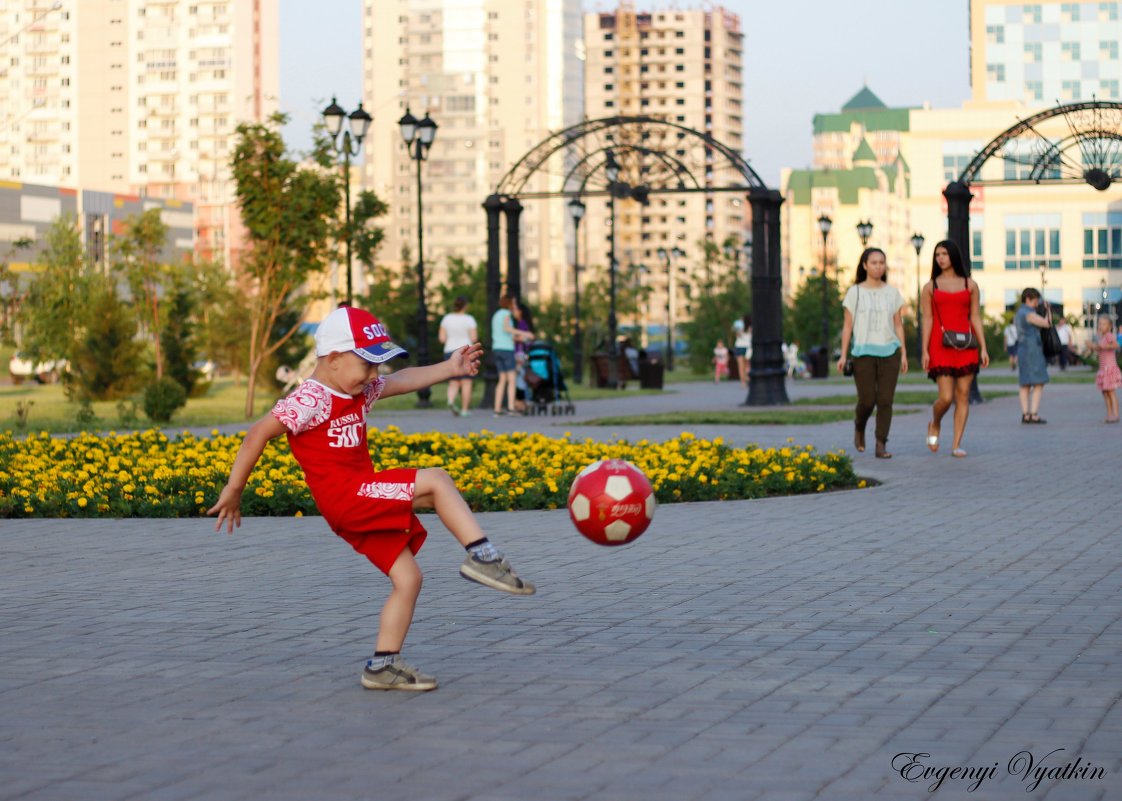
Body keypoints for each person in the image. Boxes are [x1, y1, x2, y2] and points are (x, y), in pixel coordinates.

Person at [207, 305, 536, 693]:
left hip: (358, 498)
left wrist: (449, 368)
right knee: (437, 481)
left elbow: (403, 379)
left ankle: (382, 665)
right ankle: (482, 555)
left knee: (409, 578)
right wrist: (234, 489)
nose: (374, 376)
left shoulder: (357, 388)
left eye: (377, 366)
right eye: (367, 365)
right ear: (332, 360)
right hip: (347, 496)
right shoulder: (311, 397)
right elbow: (257, 433)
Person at [921, 240, 990, 458]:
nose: (940, 258)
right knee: (946, 397)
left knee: (963, 395)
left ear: (953, 256)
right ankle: (936, 422)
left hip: (966, 344)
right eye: (937, 254)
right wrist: (924, 350)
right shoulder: (930, 287)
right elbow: (928, 319)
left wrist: (984, 347)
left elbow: (976, 317)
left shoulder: (970, 285)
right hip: (940, 346)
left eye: (944, 254)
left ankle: (956, 444)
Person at [837, 247, 908, 458]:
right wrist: (843, 354)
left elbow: (898, 325)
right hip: (863, 353)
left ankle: (880, 443)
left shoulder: (892, 293)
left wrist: (903, 353)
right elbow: (847, 326)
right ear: (865, 265)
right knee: (867, 400)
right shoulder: (855, 292)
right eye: (874, 262)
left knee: (885, 400)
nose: (878, 266)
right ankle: (859, 426)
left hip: (890, 352)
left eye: (882, 262)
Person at [1014, 288, 1051, 424]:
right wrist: (1048, 309)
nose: (1037, 304)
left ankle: (1025, 414)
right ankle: (1033, 414)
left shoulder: (1019, 313)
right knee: (1038, 382)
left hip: (1023, 350)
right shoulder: (1028, 313)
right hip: (1033, 350)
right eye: (1035, 301)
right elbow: (1047, 323)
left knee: (1024, 383)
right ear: (1028, 299)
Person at [438, 296, 477, 417]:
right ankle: (465, 410)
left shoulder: (446, 319)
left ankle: (451, 400)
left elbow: (442, 339)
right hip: (466, 350)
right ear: (465, 306)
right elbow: (474, 338)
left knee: (453, 381)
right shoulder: (469, 319)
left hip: (449, 350)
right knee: (466, 381)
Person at [491, 294, 530, 416]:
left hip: (497, 349)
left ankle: (497, 409)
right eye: (513, 303)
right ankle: (511, 408)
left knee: (502, 379)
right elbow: (507, 329)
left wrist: (519, 338)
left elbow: (505, 334)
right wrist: (524, 333)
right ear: (508, 304)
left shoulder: (496, 315)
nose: (514, 306)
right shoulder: (506, 314)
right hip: (506, 349)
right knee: (512, 379)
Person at [1093, 315, 1120, 423]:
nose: (1100, 326)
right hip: (1103, 369)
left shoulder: (1109, 335)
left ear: (1109, 327)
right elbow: (1099, 349)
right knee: (1105, 393)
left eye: (1103, 324)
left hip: (1109, 369)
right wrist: (1093, 347)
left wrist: (1104, 347)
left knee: (1111, 392)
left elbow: (1116, 345)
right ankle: (1109, 414)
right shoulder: (1102, 337)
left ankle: (1116, 415)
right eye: (1099, 324)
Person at [511, 302, 535, 414]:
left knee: (519, 379)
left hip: (521, 354)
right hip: (523, 354)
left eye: (515, 309)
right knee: (520, 379)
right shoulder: (523, 323)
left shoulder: (522, 323)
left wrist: (514, 337)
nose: (513, 312)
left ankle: (522, 403)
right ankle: (522, 403)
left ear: (520, 311)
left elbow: (528, 338)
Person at [732, 315, 752, 386]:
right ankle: (747, 380)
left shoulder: (741, 327)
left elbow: (737, 335)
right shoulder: (750, 327)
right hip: (748, 347)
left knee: (741, 366)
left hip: (740, 346)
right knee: (747, 365)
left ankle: (743, 382)